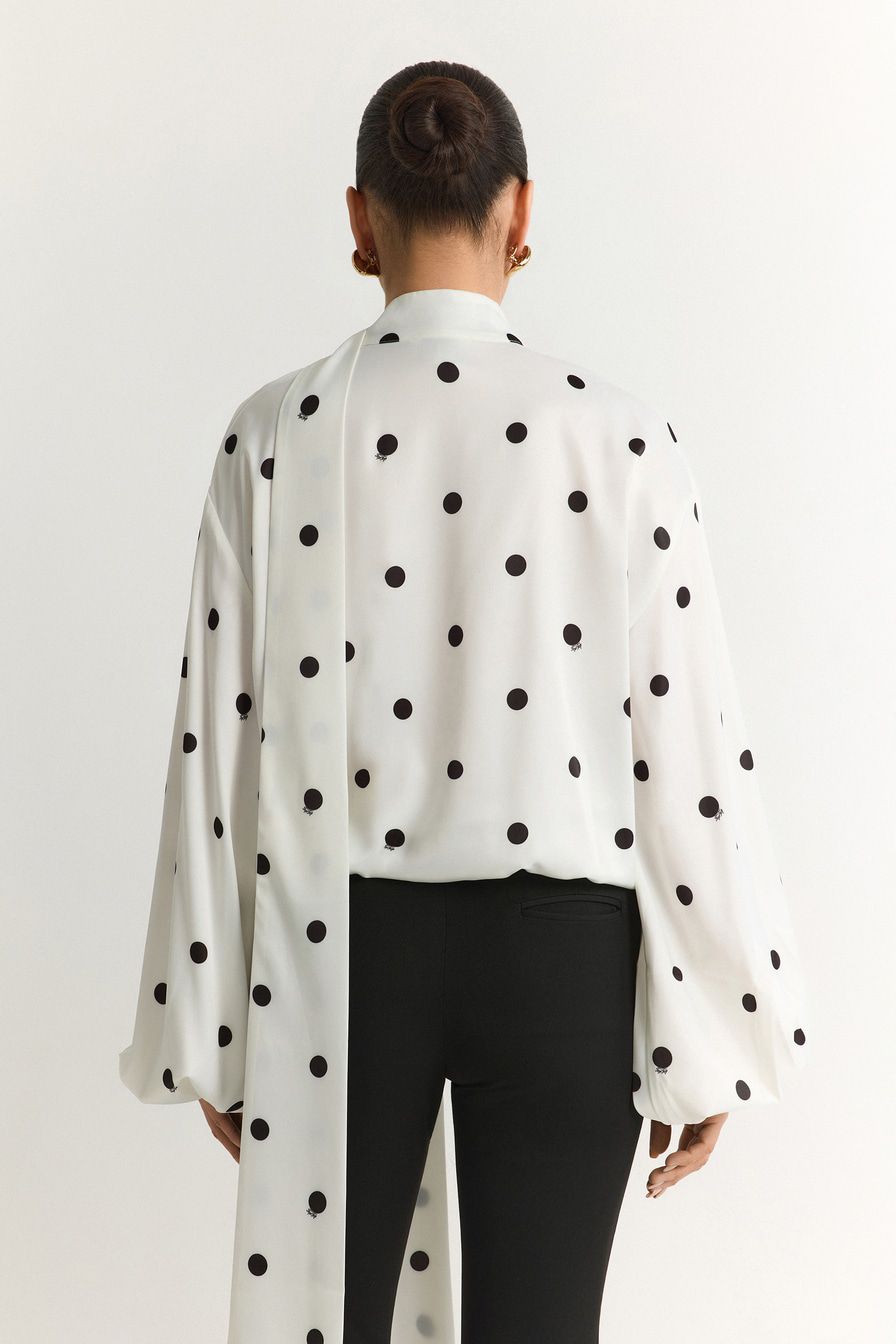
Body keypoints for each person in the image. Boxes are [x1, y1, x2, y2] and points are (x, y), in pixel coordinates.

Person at [119, 60, 810, 1344]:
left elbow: (216, 742)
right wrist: (713, 1023)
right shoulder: (619, 437)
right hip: (563, 963)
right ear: (521, 212)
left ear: (358, 218)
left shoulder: (274, 432)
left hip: (338, 954)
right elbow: (684, 746)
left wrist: (205, 1020)